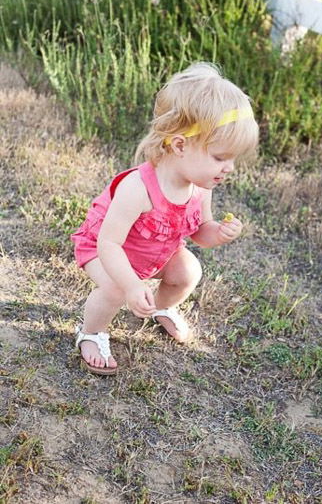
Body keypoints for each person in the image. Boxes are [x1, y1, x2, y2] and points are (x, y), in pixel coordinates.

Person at [70, 62, 259, 375]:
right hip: (105, 250)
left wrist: (219, 233)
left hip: (155, 254)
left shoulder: (200, 187)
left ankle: (160, 306)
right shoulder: (138, 188)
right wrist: (131, 285)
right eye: (220, 158)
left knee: (188, 271)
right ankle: (91, 332)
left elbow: (200, 232)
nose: (230, 168)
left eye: (233, 159)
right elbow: (109, 243)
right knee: (115, 290)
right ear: (180, 145)